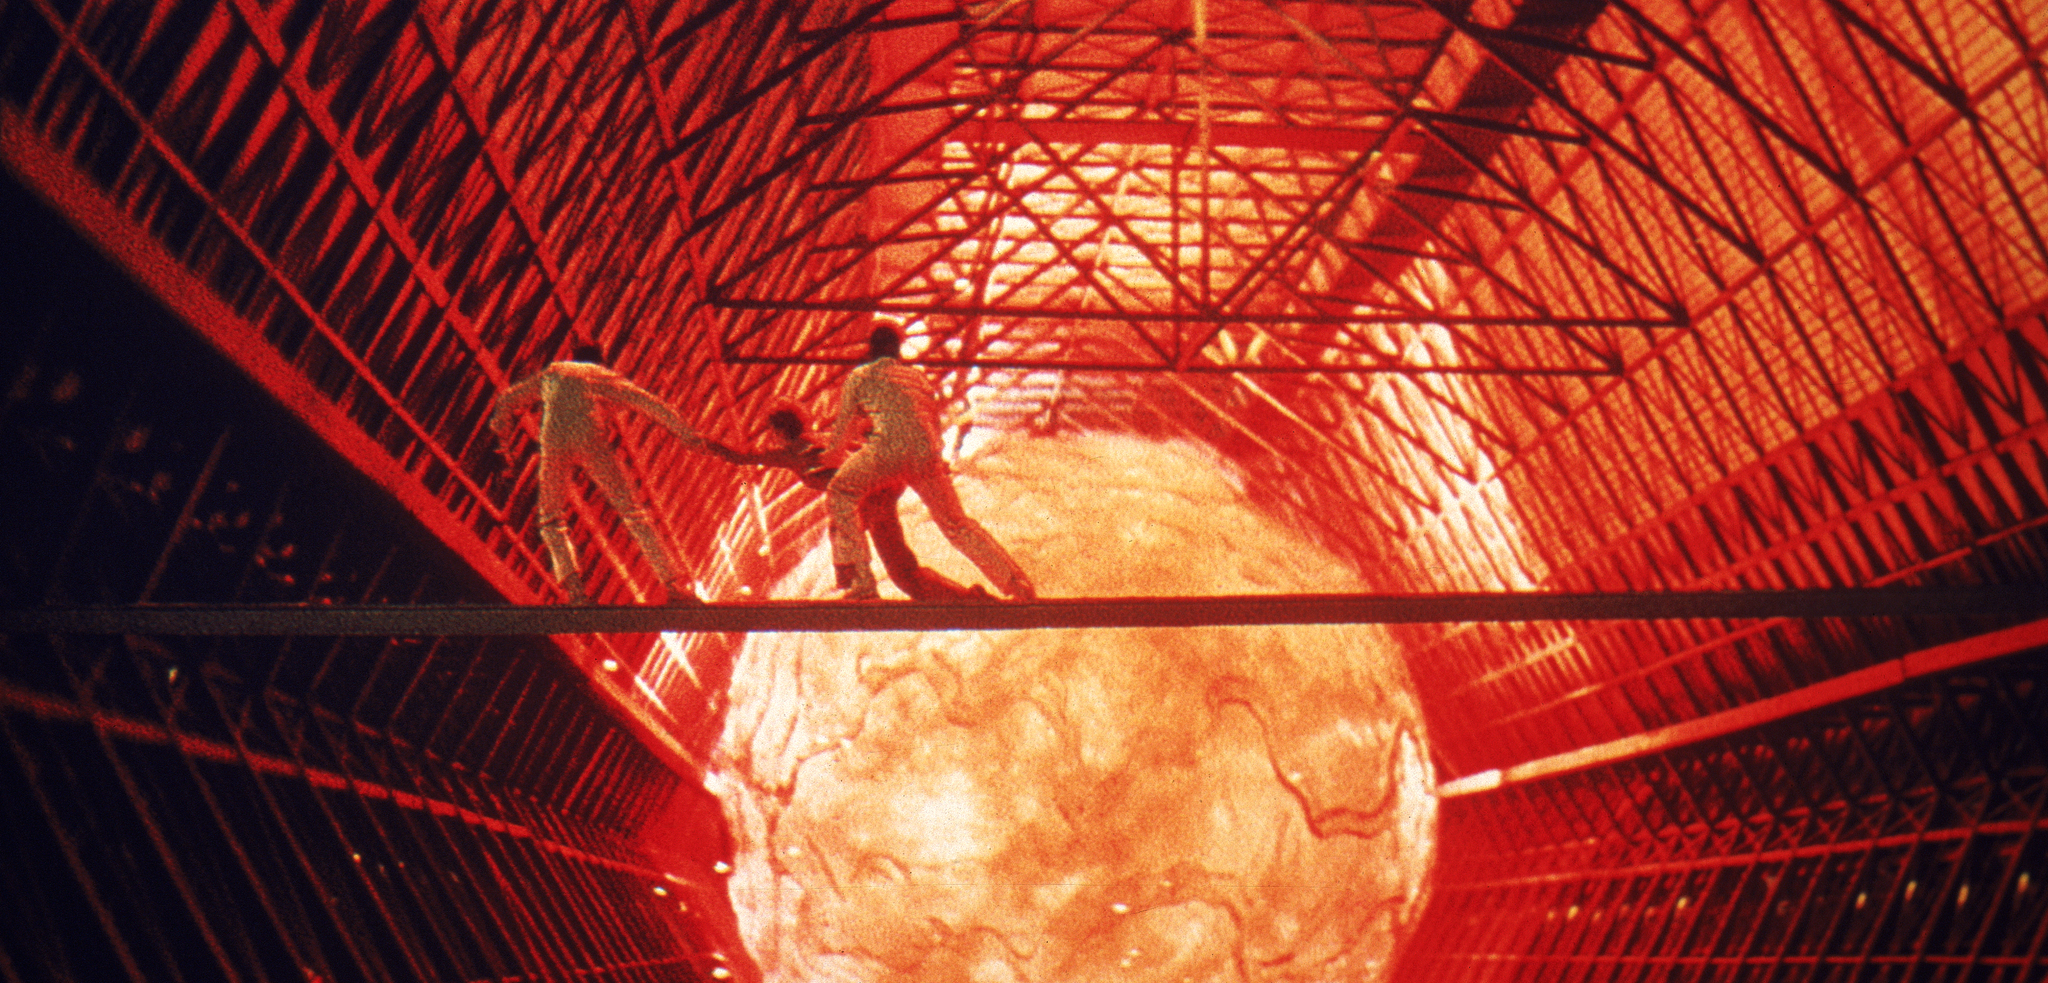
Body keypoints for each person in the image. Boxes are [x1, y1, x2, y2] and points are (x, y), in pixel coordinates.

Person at [824, 324, 1035, 601]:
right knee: (957, 525)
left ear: (870, 349)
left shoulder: (860, 377)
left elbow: (843, 432)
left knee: (840, 495)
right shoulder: (917, 378)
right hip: (926, 454)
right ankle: (1016, 584)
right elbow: (932, 424)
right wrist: (937, 461)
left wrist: (830, 455)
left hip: (888, 451)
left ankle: (862, 583)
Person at [489, 343, 705, 605]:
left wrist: (502, 439)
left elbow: (508, 399)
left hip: (552, 444)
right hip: (590, 440)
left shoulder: (552, 372)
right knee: (633, 513)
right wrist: (686, 434)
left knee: (550, 519)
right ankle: (673, 586)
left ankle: (576, 594)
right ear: (599, 362)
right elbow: (649, 403)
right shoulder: (601, 375)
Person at [715, 406, 991, 602]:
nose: (771, 437)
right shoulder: (827, 438)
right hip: (879, 492)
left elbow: (742, 458)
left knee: (846, 530)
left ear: (778, 431)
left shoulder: (792, 453)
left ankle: (863, 585)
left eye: (772, 431)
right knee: (903, 572)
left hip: (867, 498)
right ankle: (968, 598)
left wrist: (702, 444)